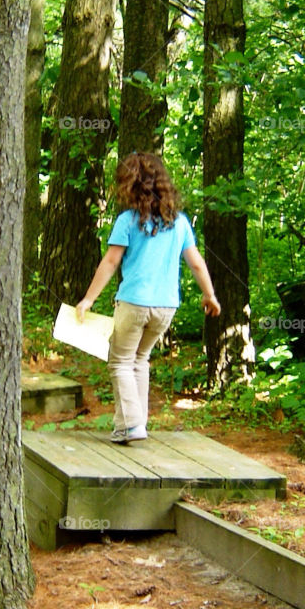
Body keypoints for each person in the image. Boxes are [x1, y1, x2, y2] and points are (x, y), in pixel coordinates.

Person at [76, 152, 221, 444]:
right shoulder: (178, 222)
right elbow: (195, 261)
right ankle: (133, 424)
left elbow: (110, 262)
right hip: (166, 306)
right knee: (140, 360)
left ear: (131, 185)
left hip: (134, 303)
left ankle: (131, 425)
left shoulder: (128, 220)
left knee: (120, 362)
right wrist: (210, 294)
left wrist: (88, 300)